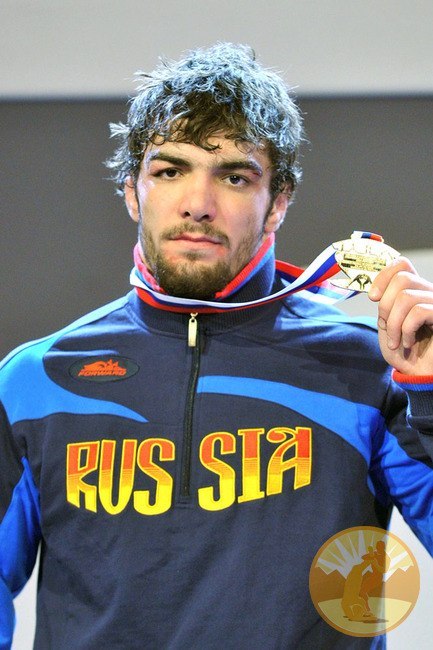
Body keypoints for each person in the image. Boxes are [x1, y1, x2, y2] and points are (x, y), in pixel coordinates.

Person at [1, 43, 433, 650]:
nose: (198, 205)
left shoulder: (370, 369)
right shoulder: (33, 382)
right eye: (169, 171)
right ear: (132, 192)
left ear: (278, 202)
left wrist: (431, 394)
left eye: (234, 177)